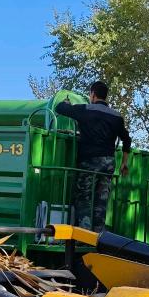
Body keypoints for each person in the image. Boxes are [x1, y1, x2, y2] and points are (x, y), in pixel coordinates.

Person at [55, 81, 131, 231]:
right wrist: (124, 163)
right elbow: (127, 139)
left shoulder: (85, 109)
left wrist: (66, 102)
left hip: (89, 162)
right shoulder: (116, 117)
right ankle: (99, 236)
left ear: (93, 94)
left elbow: (60, 108)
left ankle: (84, 237)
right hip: (108, 163)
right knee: (101, 202)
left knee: (84, 198)